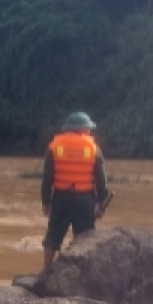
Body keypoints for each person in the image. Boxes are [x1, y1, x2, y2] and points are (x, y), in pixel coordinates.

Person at [41, 112, 110, 272]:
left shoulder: (54, 147)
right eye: (89, 129)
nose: (90, 132)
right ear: (84, 129)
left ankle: (46, 270)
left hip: (61, 198)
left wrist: (45, 202)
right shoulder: (93, 148)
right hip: (85, 200)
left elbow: (47, 178)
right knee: (85, 237)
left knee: (53, 234)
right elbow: (101, 179)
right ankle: (84, 272)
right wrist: (101, 203)